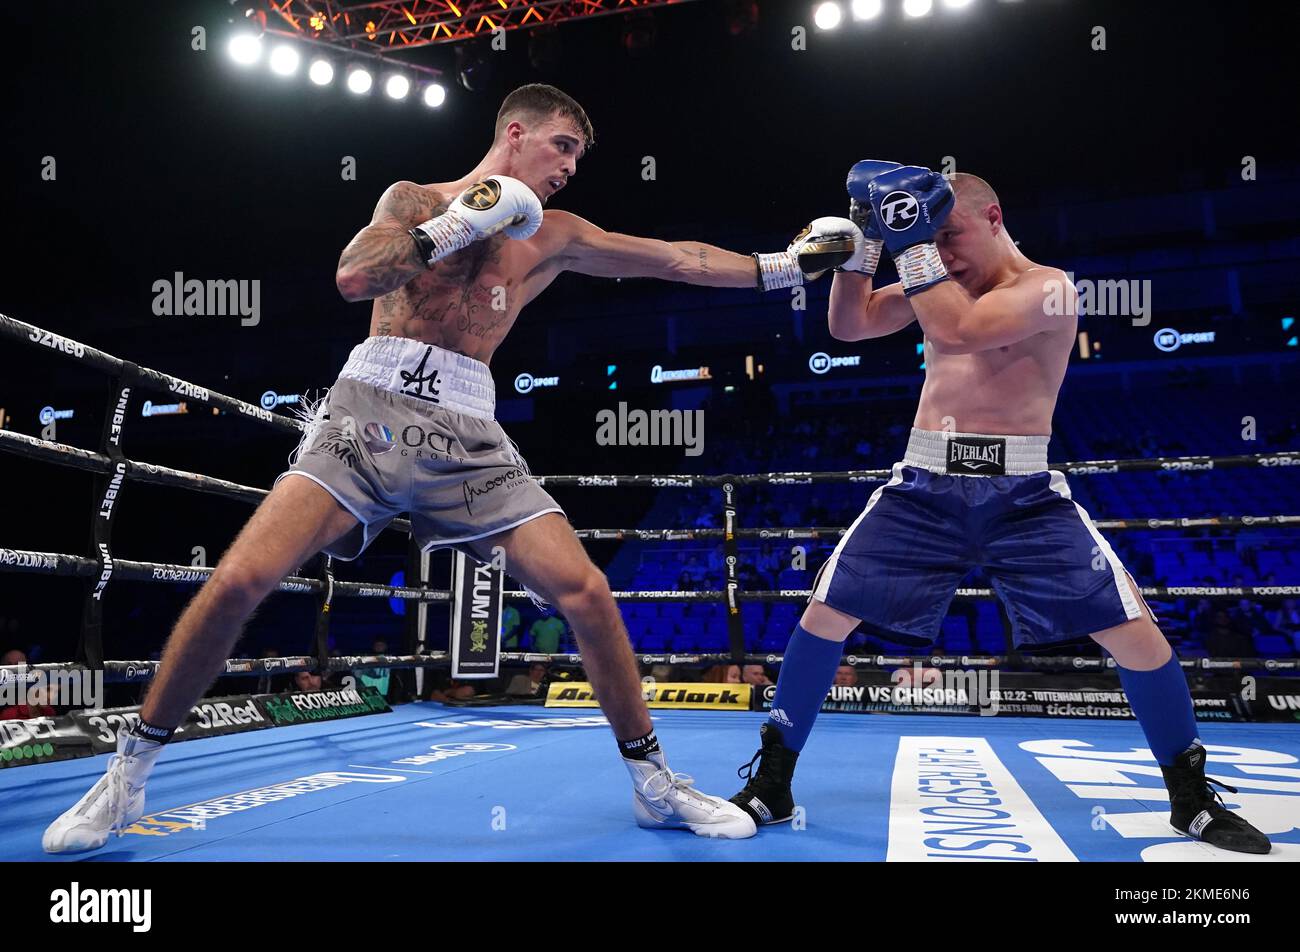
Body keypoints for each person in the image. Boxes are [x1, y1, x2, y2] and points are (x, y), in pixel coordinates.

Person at [44, 83, 861, 854]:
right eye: (561, 145)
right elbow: (355, 276)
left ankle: (652, 784)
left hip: (469, 432)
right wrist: (458, 225)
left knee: (585, 590)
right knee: (236, 582)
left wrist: (785, 265)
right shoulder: (413, 199)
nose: (569, 165)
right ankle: (129, 775)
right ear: (515, 132)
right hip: (367, 413)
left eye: (577, 155)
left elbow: (674, 260)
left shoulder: (557, 233)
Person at [729, 163, 1270, 854]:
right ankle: (773, 783)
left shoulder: (1048, 288)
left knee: (1134, 632)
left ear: (993, 218)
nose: (940, 250)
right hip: (924, 485)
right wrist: (864, 244)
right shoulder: (941, 281)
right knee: (824, 614)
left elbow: (959, 332)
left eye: (948, 234)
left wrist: (911, 240)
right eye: (929, 236)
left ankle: (1191, 800)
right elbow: (850, 325)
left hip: (1023, 495)